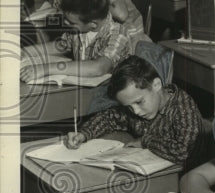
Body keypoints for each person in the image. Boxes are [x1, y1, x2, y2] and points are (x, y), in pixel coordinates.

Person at [63, 55, 202, 169]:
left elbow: (183, 152)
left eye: (139, 102)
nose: (135, 111)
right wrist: (83, 134)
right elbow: (110, 117)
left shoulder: (183, 109)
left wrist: (145, 141)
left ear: (156, 85)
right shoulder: (137, 102)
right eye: (129, 106)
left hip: (179, 176)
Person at [19, 0, 131, 83]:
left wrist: (45, 69)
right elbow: (60, 46)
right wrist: (24, 51)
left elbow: (98, 68)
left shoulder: (118, 34)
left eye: (71, 22)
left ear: (93, 24)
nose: (66, 23)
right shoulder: (80, 29)